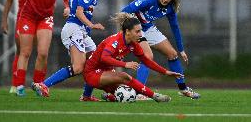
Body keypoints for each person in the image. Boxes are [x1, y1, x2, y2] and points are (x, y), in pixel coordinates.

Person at [33, 13, 183, 101]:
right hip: (92, 75)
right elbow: (104, 59)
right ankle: (155, 96)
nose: (141, 34)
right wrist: (125, 65)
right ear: (127, 31)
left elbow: (146, 61)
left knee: (125, 90)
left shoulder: (133, 43)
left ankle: (103, 96)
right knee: (125, 77)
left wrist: (165, 72)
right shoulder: (115, 41)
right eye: (137, 31)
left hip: (105, 73)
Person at [32, 0, 110, 101]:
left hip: (79, 30)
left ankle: (86, 96)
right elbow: (79, 13)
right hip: (75, 29)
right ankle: (43, 84)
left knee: (95, 62)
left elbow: (75, 0)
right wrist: (92, 25)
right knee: (79, 67)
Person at [121, 0, 200, 99]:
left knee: (173, 54)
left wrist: (181, 49)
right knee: (148, 57)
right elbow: (125, 11)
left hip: (149, 27)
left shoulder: (171, 6)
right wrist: (130, 30)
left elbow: (175, 27)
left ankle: (183, 89)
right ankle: (138, 92)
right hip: (135, 28)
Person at [1, 0, 35, 94]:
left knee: (40, 52)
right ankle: (16, 84)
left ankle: (38, 84)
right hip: (23, 20)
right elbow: (8, 2)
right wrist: (4, 21)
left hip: (37, 20)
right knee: (21, 51)